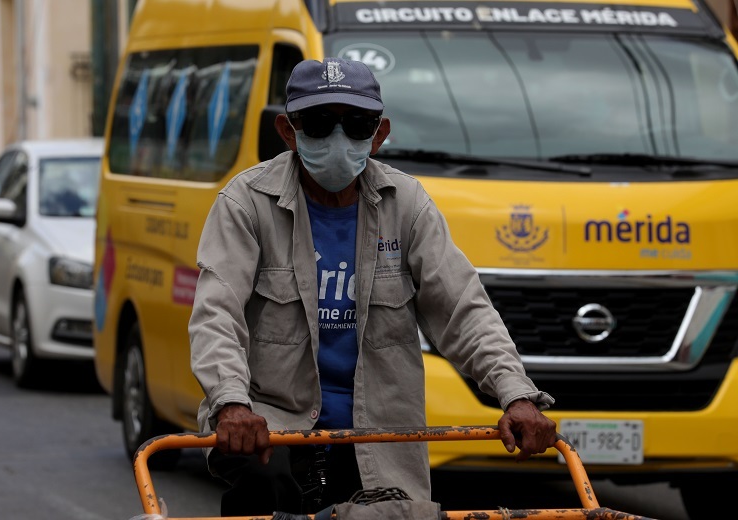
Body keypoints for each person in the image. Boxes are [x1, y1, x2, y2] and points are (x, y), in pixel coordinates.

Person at [189, 57, 556, 517]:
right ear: (289, 130)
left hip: (382, 436)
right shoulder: (246, 203)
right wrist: (231, 405)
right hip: (270, 425)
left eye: (357, 125)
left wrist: (517, 395)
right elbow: (215, 314)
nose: (338, 140)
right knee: (266, 486)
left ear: (379, 134)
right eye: (320, 124)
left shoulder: (408, 207)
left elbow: (464, 310)